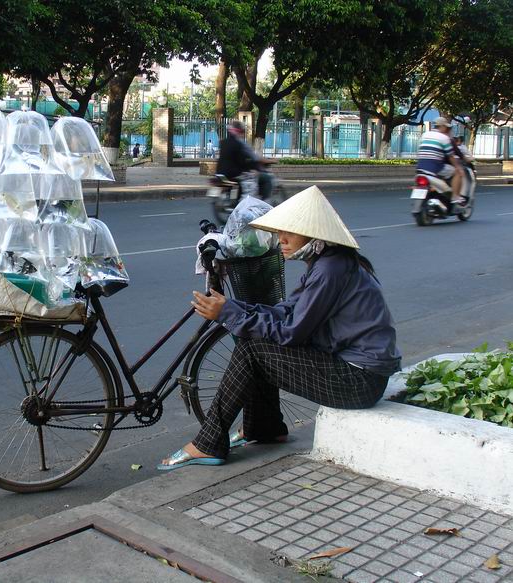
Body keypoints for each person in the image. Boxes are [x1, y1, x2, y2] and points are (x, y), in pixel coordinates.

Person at [158, 185, 401, 470]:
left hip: (359, 382)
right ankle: (264, 427)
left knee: (252, 349)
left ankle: (210, 441)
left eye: (289, 233)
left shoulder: (329, 270)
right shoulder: (327, 262)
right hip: (354, 372)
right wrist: (235, 308)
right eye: (280, 233)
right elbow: (287, 311)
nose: (281, 240)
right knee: (254, 340)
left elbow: (292, 332)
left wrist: (230, 314)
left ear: (313, 234)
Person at [217, 120, 276, 200]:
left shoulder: (223, 142)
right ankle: (264, 203)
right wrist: (270, 161)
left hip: (220, 173)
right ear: (239, 131)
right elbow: (254, 158)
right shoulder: (240, 144)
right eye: (242, 132)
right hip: (236, 173)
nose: (243, 134)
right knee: (266, 178)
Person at [416, 117, 463, 204]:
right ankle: (455, 197)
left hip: (420, 167)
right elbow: (451, 156)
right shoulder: (444, 138)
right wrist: (458, 168)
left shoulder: (425, 135)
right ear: (443, 126)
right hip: (435, 167)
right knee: (457, 172)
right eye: (447, 127)